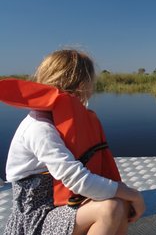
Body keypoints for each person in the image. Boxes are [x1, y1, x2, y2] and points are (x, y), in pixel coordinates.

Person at [1, 49, 145, 235]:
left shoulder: (62, 120)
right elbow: (75, 179)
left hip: (63, 205)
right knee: (109, 208)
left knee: (121, 203)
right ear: (81, 85)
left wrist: (124, 194)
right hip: (36, 219)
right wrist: (133, 194)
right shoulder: (39, 128)